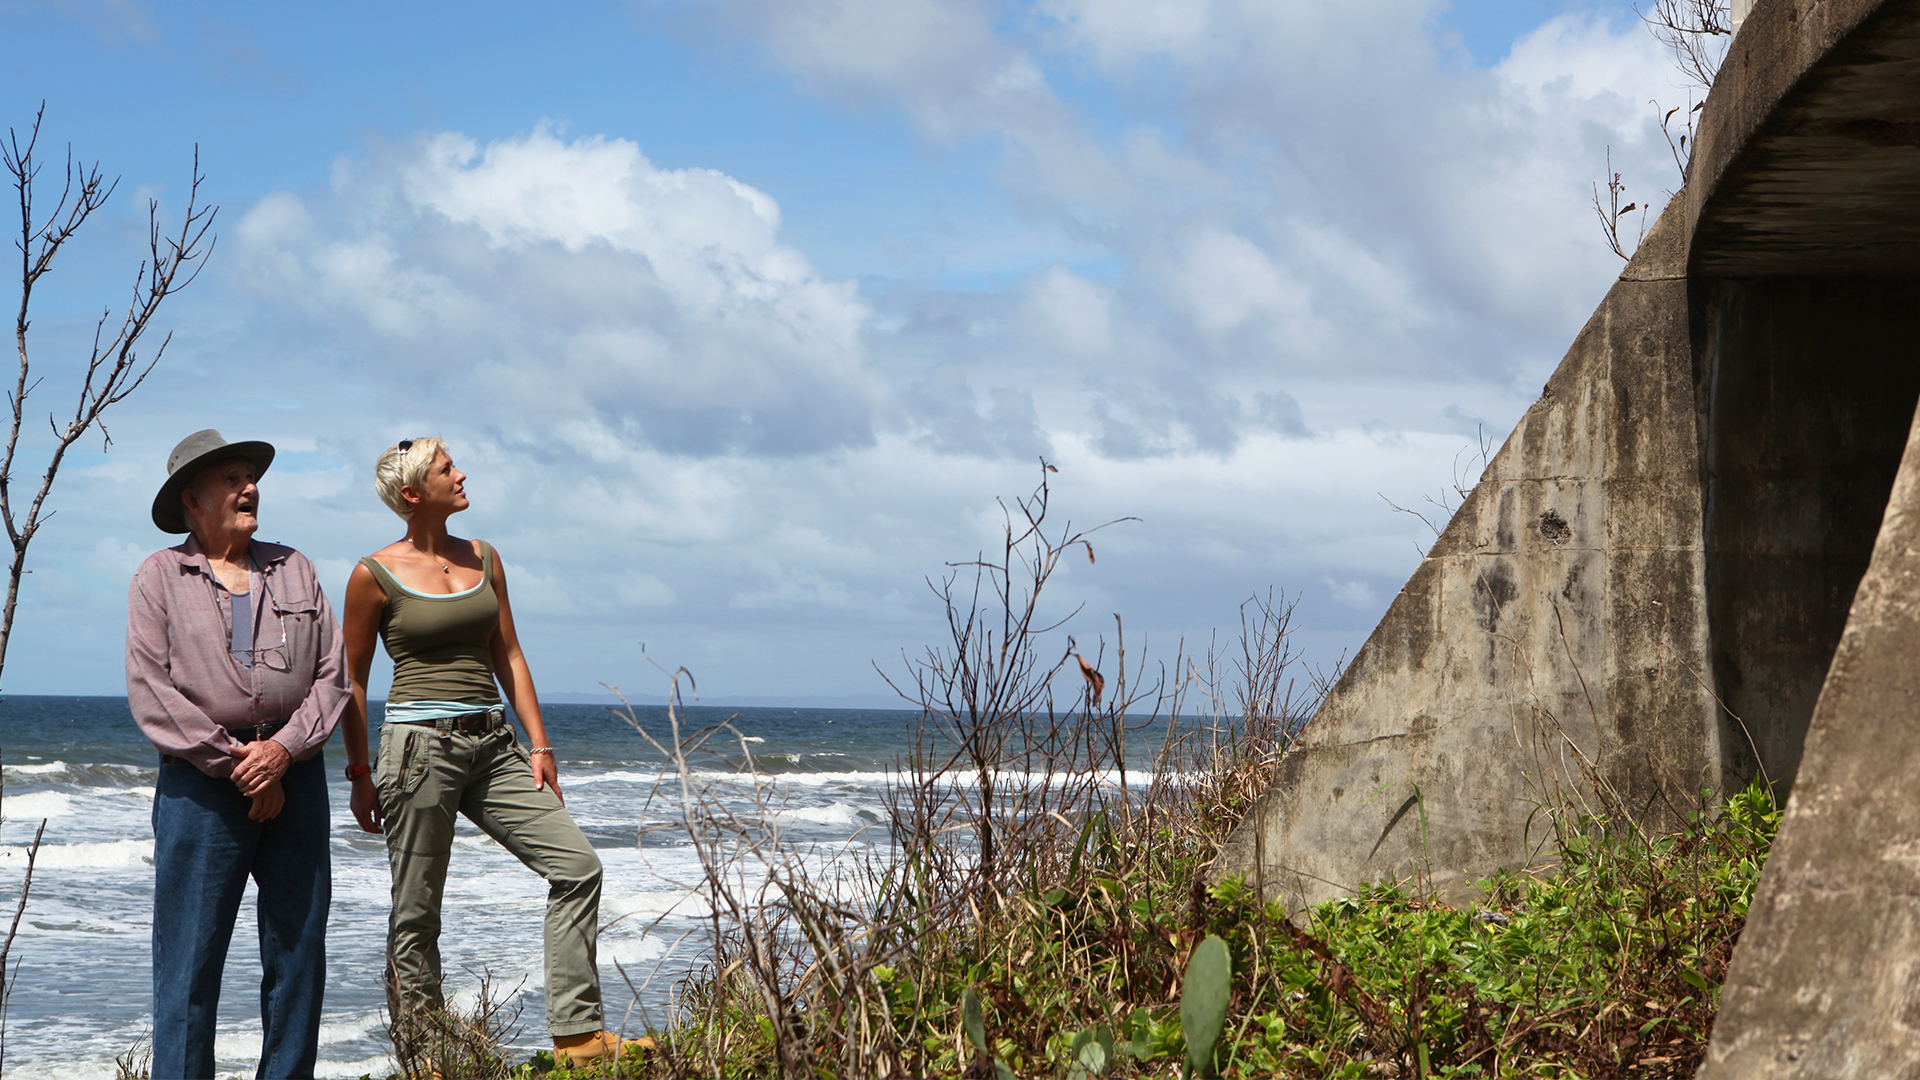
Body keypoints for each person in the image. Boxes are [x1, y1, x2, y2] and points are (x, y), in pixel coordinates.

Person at [339, 437, 644, 1068]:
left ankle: (578, 1037)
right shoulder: (373, 574)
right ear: (413, 493)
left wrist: (540, 743)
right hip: (417, 752)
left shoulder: (484, 557)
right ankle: (426, 1057)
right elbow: (353, 682)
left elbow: (509, 653)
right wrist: (360, 771)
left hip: (494, 743)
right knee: (417, 910)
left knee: (578, 866)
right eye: (446, 468)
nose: (461, 474)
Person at [127, 429, 349, 1080]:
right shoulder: (159, 577)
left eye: (251, 477)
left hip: (296, 777)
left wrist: (280, 753)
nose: (250, 487)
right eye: (232, 478)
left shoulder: (296, 567)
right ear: (192, 500)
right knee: (189, 967)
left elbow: (333, 677)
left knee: (298, 956)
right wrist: (241, 764)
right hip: (202, 788)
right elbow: (151, 691)